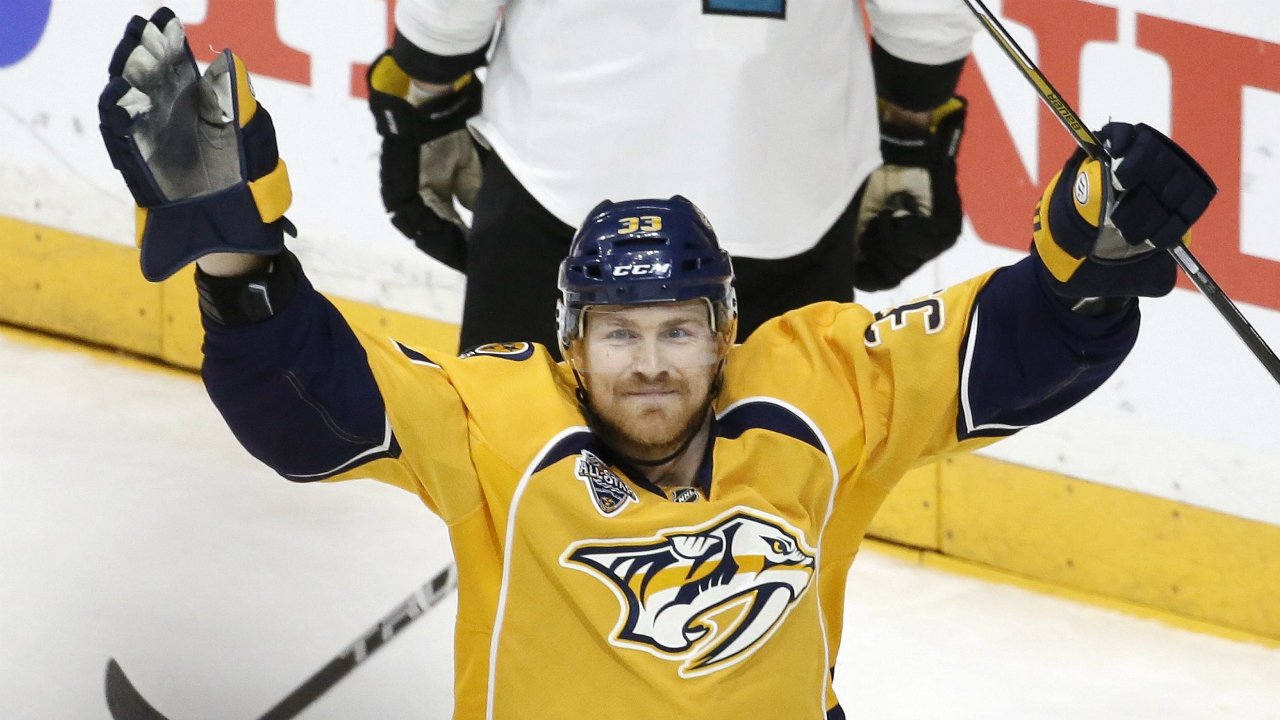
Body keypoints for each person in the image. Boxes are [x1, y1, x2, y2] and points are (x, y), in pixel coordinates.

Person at [98, 11, 1216, 719]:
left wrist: (1086, 268)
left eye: (677, 331)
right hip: (789, 161)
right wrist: (236, 255)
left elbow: (1004, 348)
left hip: (570, 132)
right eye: (617, 335)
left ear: (729, 334)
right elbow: (309, 403)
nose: (647, 365)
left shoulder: (815, 385)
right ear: (566, 345)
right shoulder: (501, 413)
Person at [366, 0, 979, 351]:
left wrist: (429, 87)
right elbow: (926, 15)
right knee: (773, 528)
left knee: (518, 486)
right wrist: (906, 131)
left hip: (561, 173)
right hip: (786, 188)